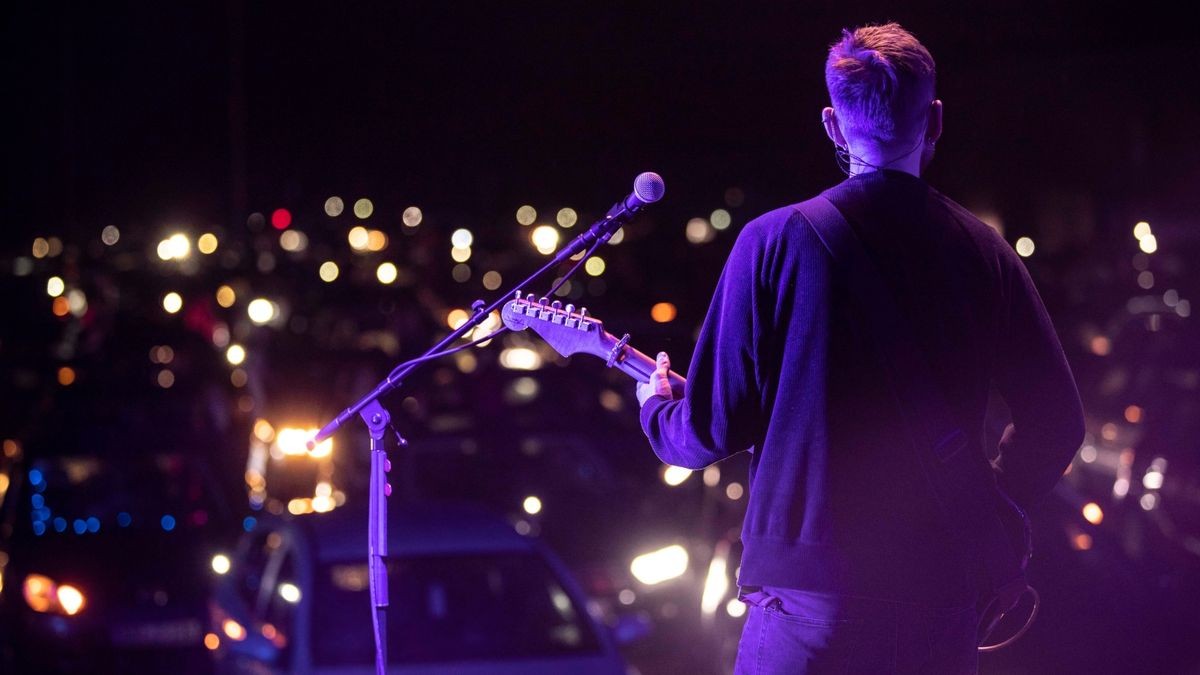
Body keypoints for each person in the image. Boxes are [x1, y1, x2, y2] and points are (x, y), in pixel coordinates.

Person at [635, 23, 1084, 674]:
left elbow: (706, 430)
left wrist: (655, 407)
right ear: (933, 121)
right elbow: (1058, 423)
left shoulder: (771, 243)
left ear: (833, 126)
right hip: (940, 596)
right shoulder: (984, 251)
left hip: (810, 603)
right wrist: (988, 493)